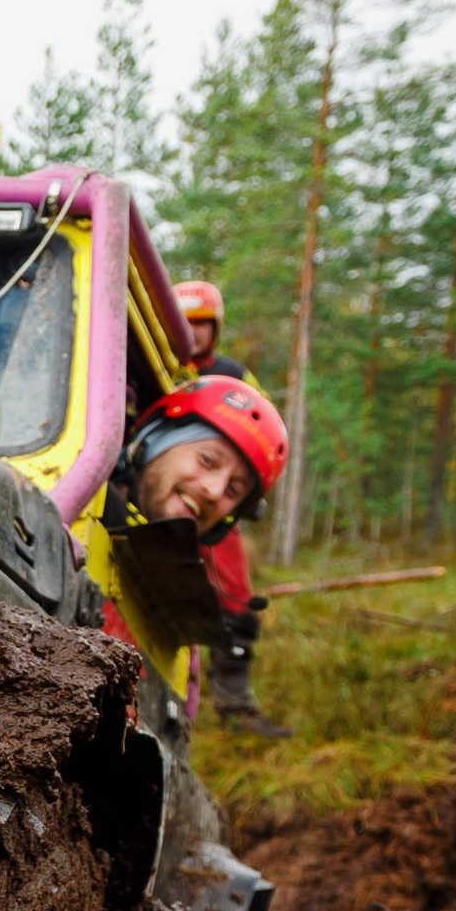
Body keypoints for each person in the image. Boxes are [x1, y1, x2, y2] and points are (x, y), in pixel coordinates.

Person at [98, 374, 293, 735]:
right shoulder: (64, 497)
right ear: (154, 441)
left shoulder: (183, 635)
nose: (214, 490)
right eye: (207, 460)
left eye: (234, 489)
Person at [171, 281, 284, 733]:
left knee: (235, 599)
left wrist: (249, 492)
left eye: (201, 325)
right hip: (153, 503)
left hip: (215, 513)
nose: (193, 334)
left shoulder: (234, 376)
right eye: (184, 323)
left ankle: (235, 707)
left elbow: (264, 430)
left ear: (214, 328)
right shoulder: (152, 367)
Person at [174, 280, 247, 380]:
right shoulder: (154, 373)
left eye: (199, 323)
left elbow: (259, 396)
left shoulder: (235, 374)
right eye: (183, 323)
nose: (190, 331)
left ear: (215, 328)